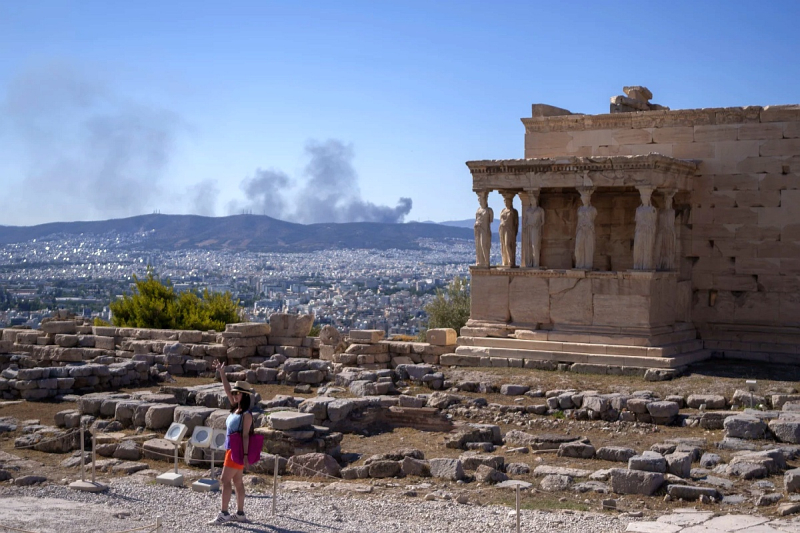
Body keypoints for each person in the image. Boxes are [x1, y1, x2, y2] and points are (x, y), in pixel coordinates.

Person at [208, 359, 254, 525]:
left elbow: (246, 436)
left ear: (245, 395)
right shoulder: (236, 408)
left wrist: (247, 456)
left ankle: (224, 513)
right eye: (235, 393)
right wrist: (221, 373)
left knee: (224, 480)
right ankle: (240, 513)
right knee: (237, 481)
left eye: (238, 393)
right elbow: (227, 389)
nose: (234, 395)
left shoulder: (246, 414)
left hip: (237, 451)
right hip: (232, 449)